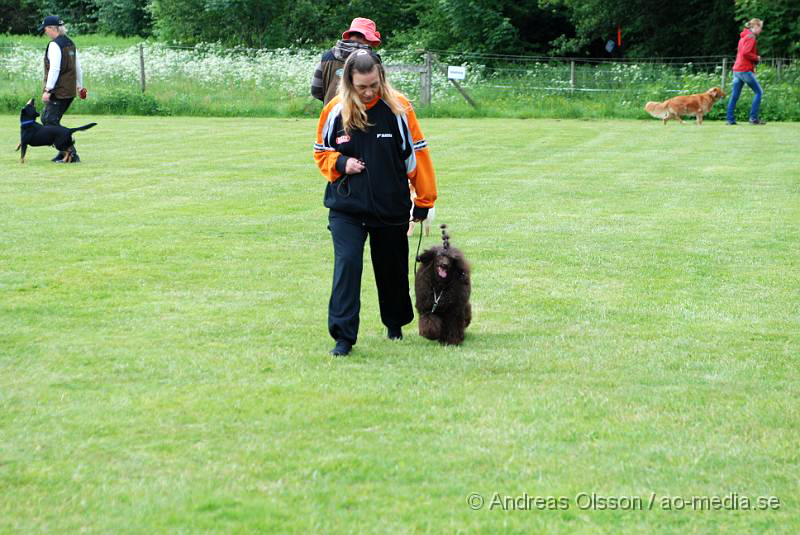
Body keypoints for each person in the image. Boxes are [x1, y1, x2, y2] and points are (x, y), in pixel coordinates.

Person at [313, 50, 437, 356]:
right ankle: (343, 338)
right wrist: (341, 163)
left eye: (374, 85)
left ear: (381, 77)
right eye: (362, 87)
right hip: (346, 208)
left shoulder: (399, 108)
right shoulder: (334, 111)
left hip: (390, 205)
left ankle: (394, 324)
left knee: (392, 267)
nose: (369, 92)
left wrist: (423, 200)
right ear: (349, 82)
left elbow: (415, 156)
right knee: (348, 264)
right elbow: (320, 152)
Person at [38, 15, 86, 162]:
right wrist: (80, 86)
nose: (45, 33)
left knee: (49, 120)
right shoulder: (69, 43)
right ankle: (63, 151)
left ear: (52, 28)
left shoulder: (55, 45)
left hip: (59, 91)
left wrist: (48, 90)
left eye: (45, 29)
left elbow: (54, 69)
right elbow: (78, 67)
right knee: (50, 120)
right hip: (69, 90)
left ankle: (71, 154)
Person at [311, 18, 381, 105]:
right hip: (363, 114)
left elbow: (316, 90)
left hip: (332, 113)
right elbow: (380, 90)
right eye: (371, 40)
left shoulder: (326, 57)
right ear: (364, 37)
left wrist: (332, 102)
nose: (371, 44)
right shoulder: (372, 58)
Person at [726, 18, 765, 125]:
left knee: (735, 95)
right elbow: (746, 53)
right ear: (755, 26)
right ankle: (753, 118)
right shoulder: (751, 37)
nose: (761, 31)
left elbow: (742, 53)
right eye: (760, 28)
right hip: (744, 69)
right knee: (759, 92)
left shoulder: (744, 36)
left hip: (737, 69)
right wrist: (756, 57)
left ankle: (730, 119)